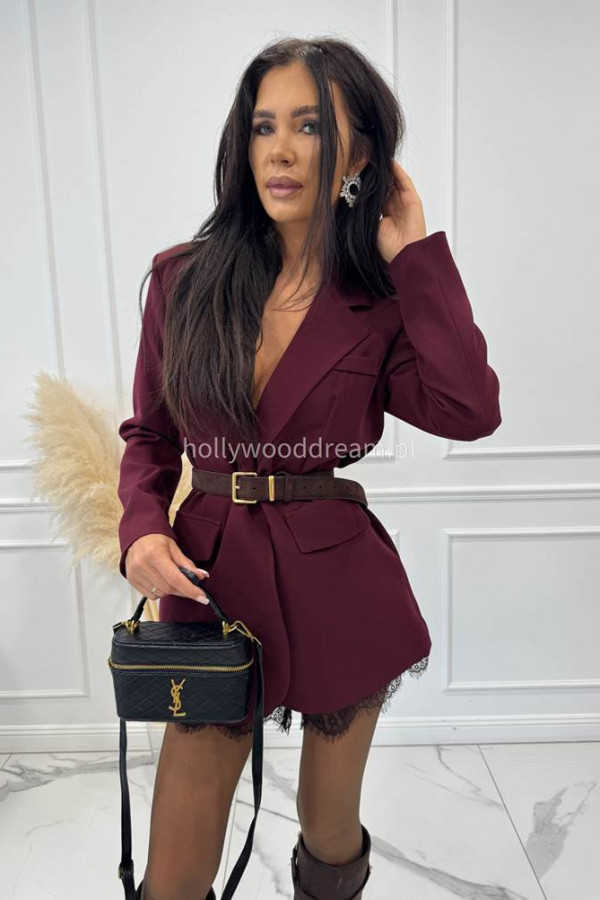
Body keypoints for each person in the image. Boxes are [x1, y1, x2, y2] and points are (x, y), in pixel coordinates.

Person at [117, 37, 501, 900]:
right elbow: (150, 436)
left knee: (329, 830)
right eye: (264, 126)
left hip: (339, 584)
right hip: (210, 582)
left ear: (358, 157)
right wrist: (141, 529)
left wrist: (417, 257)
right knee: (174, 868)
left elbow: (469, 411)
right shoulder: (182, 281)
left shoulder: (383, 301)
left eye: (310, 127)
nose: (281, 150)